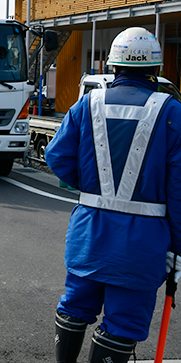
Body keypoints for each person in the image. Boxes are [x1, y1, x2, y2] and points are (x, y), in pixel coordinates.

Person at [46, 27, 181, 363]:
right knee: (124, 322)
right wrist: (178, 247)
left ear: (112, 66)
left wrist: (91, 186)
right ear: (156, 69)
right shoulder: (173, 112)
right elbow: (179, 189)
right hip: (143, 241)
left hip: (89, 232)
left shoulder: (86, 105)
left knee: (75, 306)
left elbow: (56, 156)